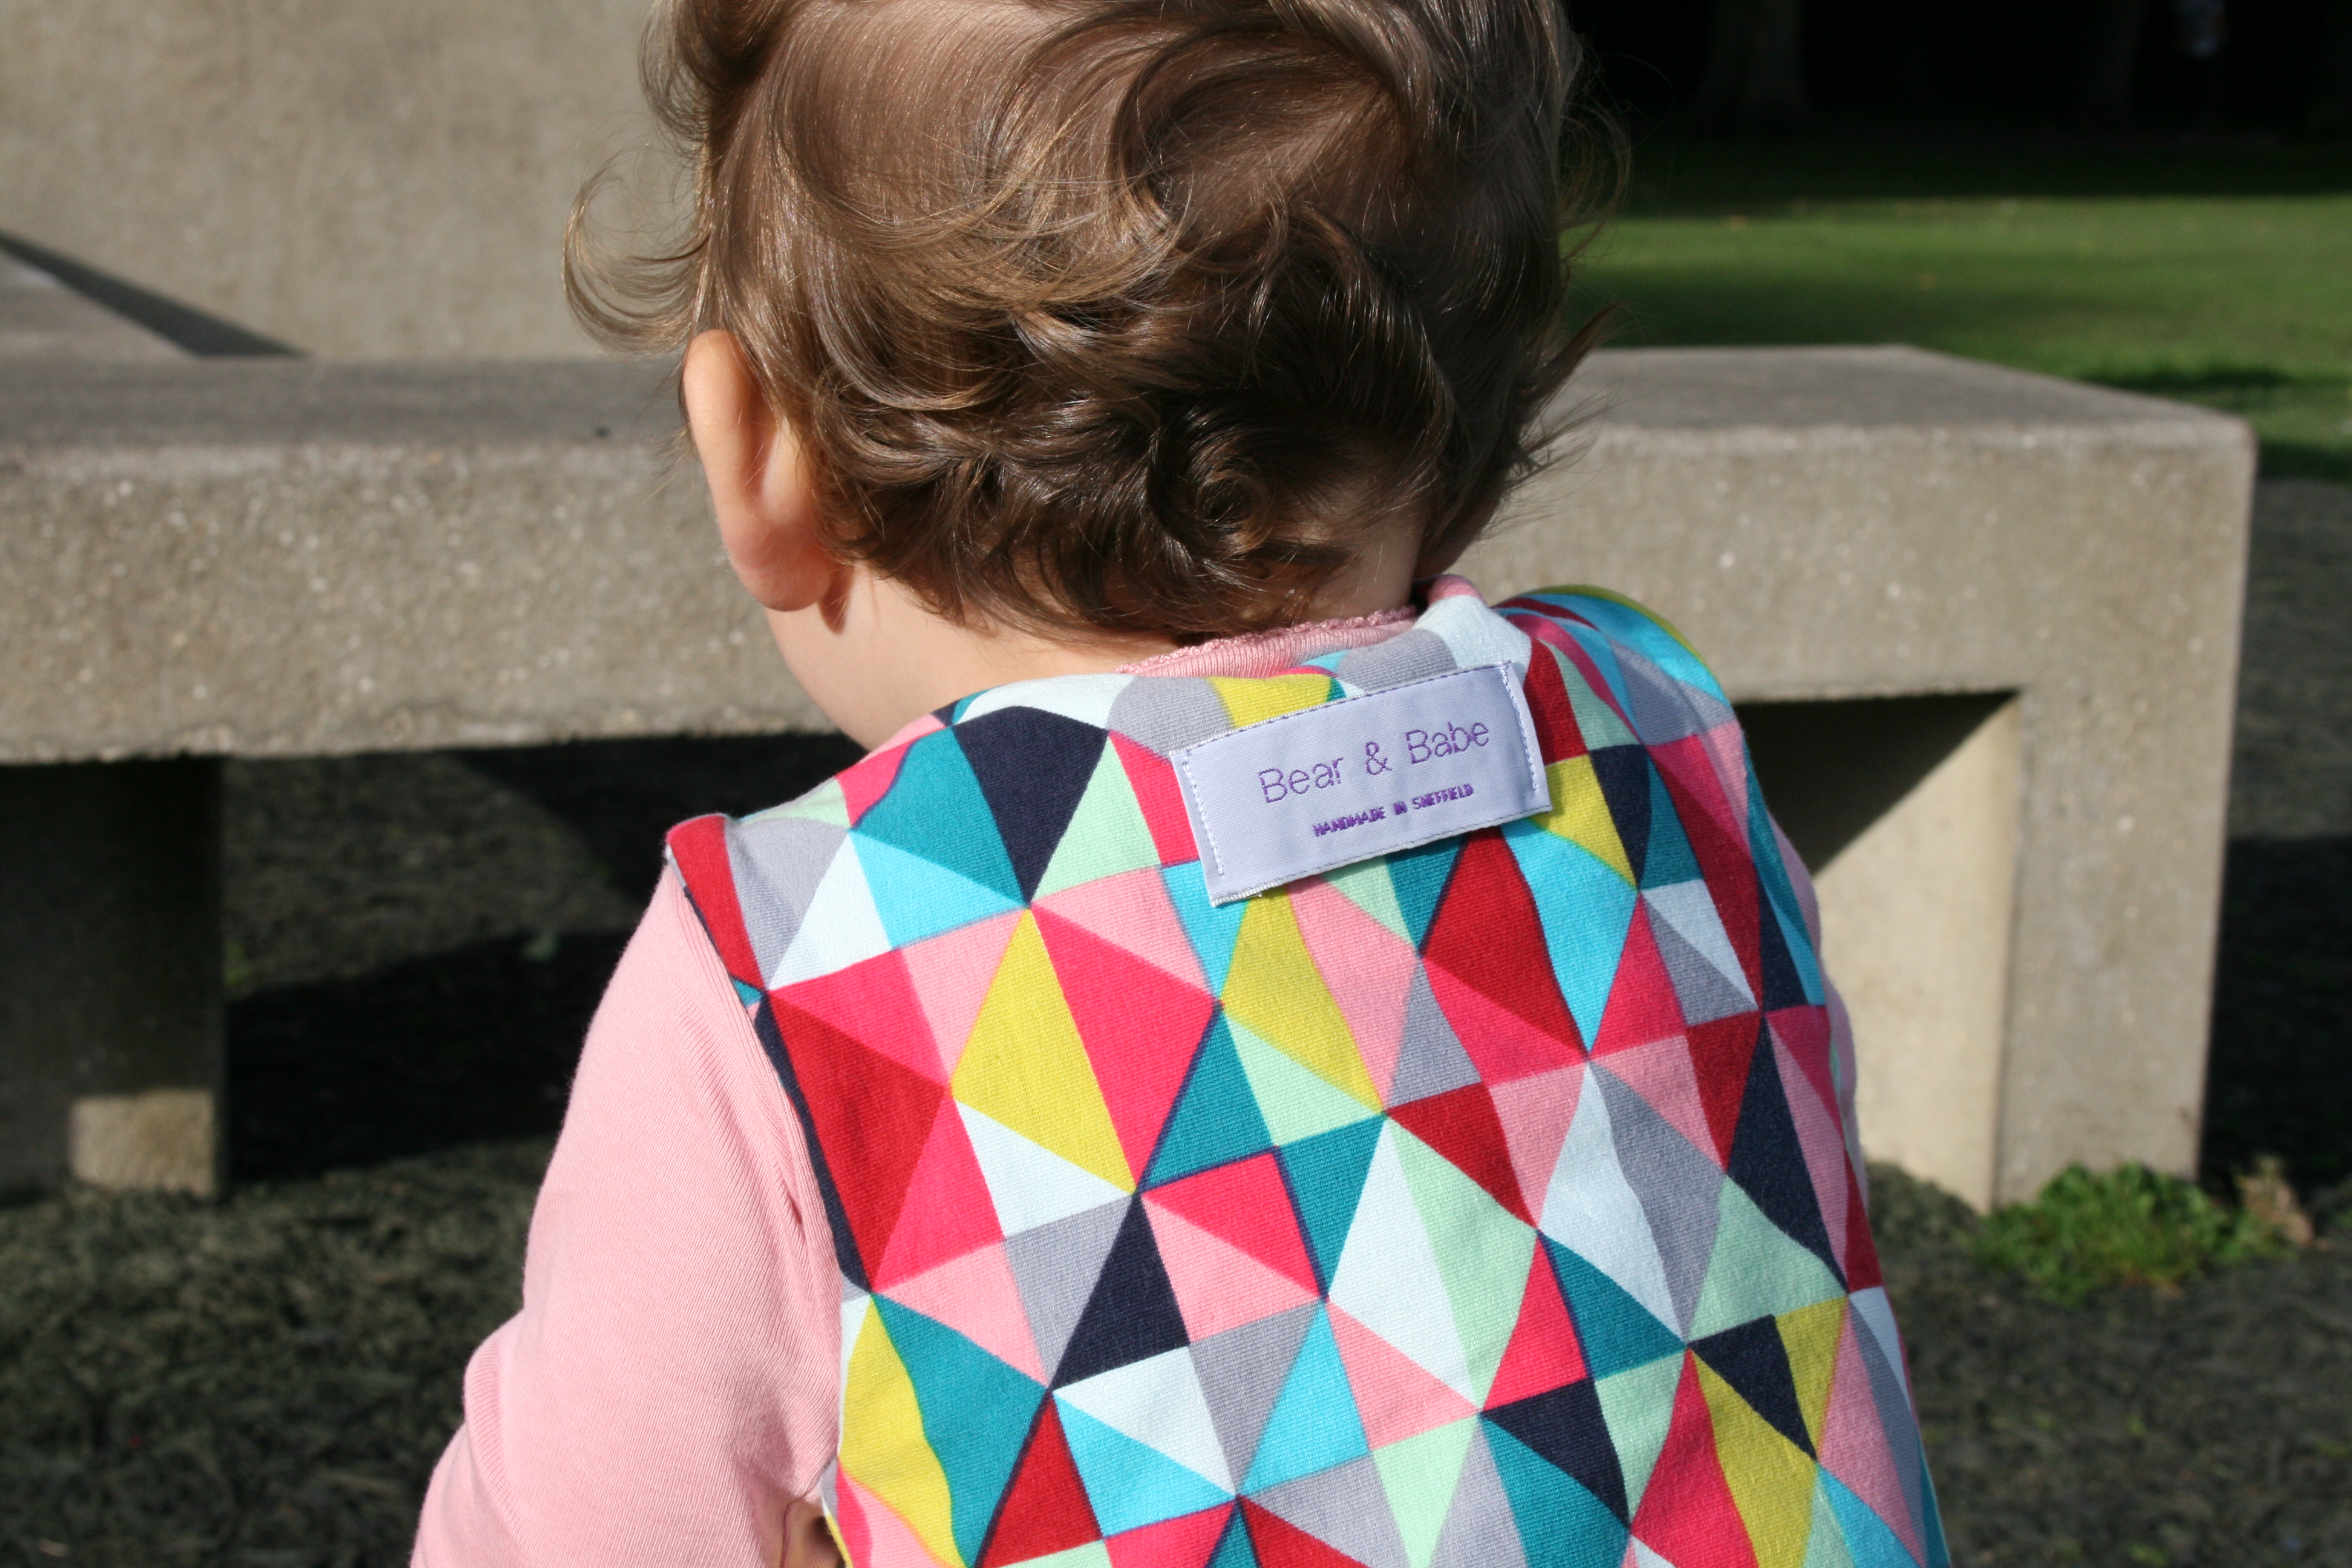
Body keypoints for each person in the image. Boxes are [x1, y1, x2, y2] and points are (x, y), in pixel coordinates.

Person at [414, 0, 1948, 1562]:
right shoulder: (1658, 747)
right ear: (1468, 448)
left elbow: (564, 1532)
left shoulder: (796, 974)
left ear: (758, 459)